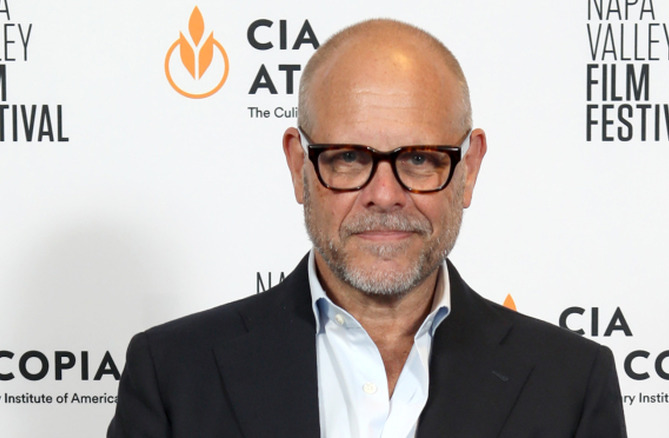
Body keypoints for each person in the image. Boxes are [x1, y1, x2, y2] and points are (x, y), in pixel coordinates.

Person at [108, 18, 627, 438]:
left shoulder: (570, 384)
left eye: (421, 159)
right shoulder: (174, 374)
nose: (385, 194)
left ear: (468, 171)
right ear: (298, 166)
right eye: (350, 158)